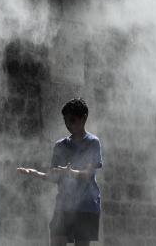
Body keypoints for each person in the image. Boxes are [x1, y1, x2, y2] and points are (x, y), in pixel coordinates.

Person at [17, 98, 103, 246]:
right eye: (66, 121)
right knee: (56, 239)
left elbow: (87, 174)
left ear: (84, 118)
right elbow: (54, 176)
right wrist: (34, 173)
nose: (69, 124)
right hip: (63, 204)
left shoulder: (92, 142)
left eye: (72, 120)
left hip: (86, 205)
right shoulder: (60, 145)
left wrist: (70, 173)